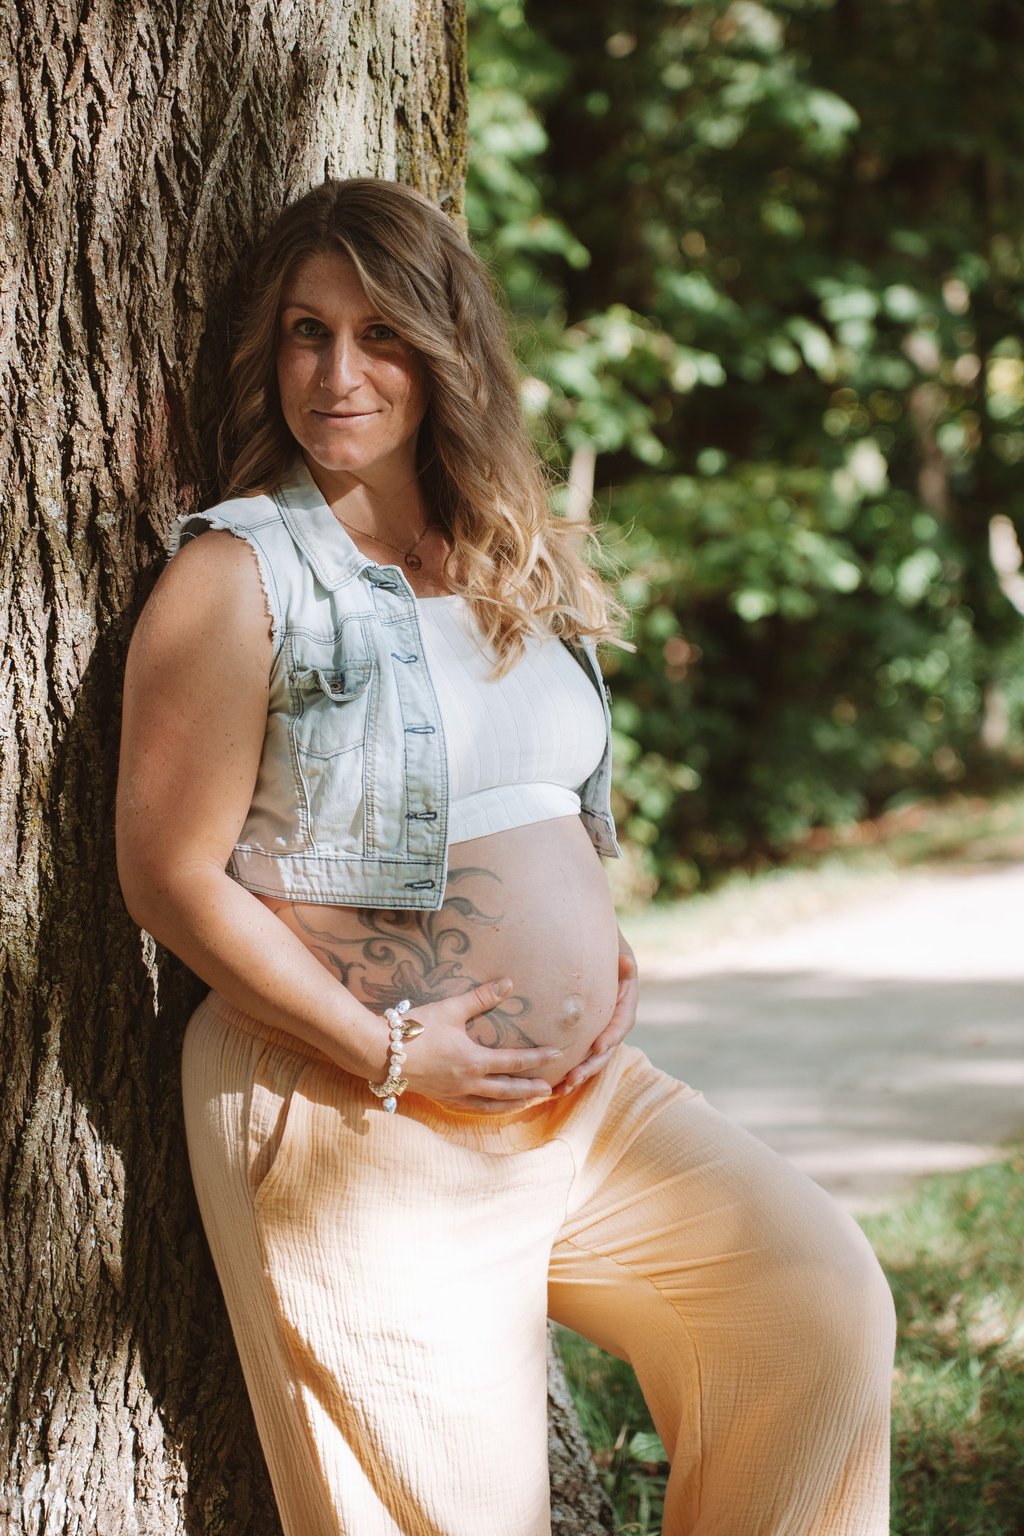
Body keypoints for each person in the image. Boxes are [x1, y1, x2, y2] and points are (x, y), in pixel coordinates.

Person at [116, 177, 895, 1536]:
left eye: (381, 334)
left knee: (810, 1309)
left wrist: (598, 946)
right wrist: (386, 1052)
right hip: (355, 1120)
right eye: (306, 333)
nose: (337, 372)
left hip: (586, 1108)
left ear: (446, 351)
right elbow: (167, 877)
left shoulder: (504, 559)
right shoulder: (240, 579)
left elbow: (539, 789)